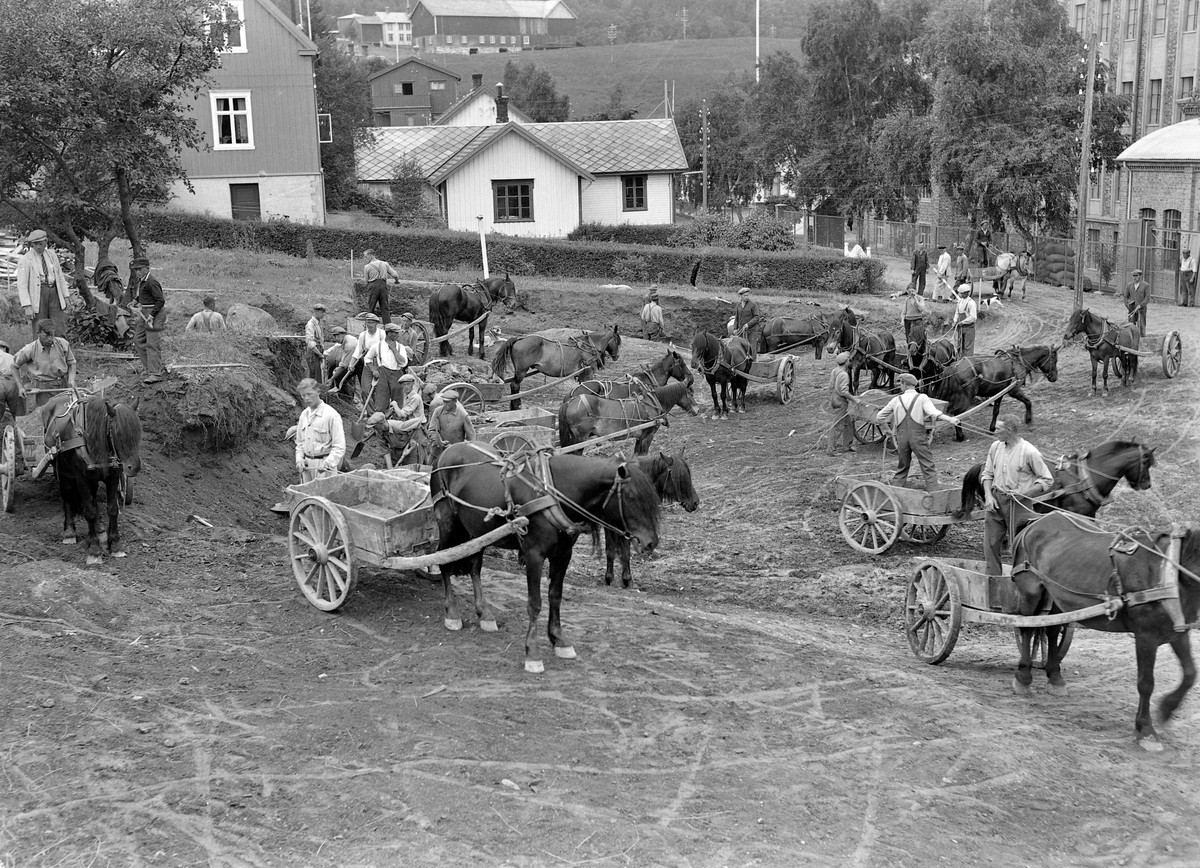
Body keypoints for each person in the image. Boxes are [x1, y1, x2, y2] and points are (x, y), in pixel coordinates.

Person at [980, 414, 1054, 581]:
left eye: (998, 429)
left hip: (1019, 505)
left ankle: (1021, 584)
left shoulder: (1029, 452)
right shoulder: (995, 447)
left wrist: (1025, 494)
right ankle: (993, 583)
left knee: (1020, 547)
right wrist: (988, 496)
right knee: (990, 545)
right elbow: (987, 474)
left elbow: (1047, 480)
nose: (994, 432)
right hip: (996, 500)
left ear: (1009, 430)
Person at [875, 373, 958, 491]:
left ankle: (894, 493)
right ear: (913, 385)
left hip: (902, 438)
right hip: (918, 437)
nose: (900, 386)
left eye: (901, 383)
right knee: (927, 465)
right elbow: (933, 412)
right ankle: (935, 494)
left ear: (904, 384)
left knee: (903, 466)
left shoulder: (896, 400)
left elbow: (879, 417)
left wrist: (887, 430)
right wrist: (950, 419)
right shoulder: (922, 398)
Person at [16, 229, 71, 337]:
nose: (38, 247)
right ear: (31, 244)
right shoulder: (26, 259)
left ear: (46, 242)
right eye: (35, 244)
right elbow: (22, 284)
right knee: (40, 328)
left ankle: (60, 352)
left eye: (40, 244)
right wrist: (27, 305)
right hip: (39, 294)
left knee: (59, 327)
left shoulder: (52, 255)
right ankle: (40, 352)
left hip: (54, 292)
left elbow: (59, 276)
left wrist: (66, 296)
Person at [14, 320, 77, 410]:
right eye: (46, 336)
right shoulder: (29, 349)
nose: (50, 339)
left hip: (63, 384)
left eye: (52, 335)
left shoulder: (63, 344)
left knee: (67, 411)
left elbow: (72, 363)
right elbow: (14, 366)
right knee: (47, 413)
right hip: (43, 388)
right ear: (38, 333)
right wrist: (20, 387)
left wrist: (71, 379)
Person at [294, 378, 346, 484]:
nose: (306, 398)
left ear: (318, 392)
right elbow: (299, 443)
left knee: (325, 498)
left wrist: (328, 463)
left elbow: (339, 446)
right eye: (303, 395)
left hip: (325, 467)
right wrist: (299, 460)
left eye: (309, 394)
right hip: (307, 468)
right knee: (308, 498)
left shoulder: (331, 415)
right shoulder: (304, 415)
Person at [367, 372, 426, 463]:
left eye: (408, 384)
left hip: (417, 429)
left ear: (413, 384)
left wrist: (395, 405)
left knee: (419, 458)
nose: (406, 387)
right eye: (404, 385)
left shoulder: (415, 398)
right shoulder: (407, 396)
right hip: (409, 428)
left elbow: (402, 414)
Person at [130, 255, 167, 384]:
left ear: (147, 268)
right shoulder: (143, 281)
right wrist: (135, 301)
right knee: (138, 339)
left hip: (155, 314)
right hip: (145, 313)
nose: (137, 272)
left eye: (139, 269)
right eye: (135, 270)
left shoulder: (152, 281)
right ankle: (149, 367)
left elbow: (160, 300)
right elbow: (144, 295)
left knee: (152, 343)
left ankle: (156, 373)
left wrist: (151, 316)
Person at [363, 323, 409, 413]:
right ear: (389, 333)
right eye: (395, 333)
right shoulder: (378, 346)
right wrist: (373, 370)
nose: (397, 335)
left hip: (397, 375)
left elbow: (403, 363)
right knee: (381, 400)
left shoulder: (400, 347)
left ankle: (396, 422)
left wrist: (394, 350)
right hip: (382, 375)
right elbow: (367, 358)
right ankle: (380, 422)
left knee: (398, 400)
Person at [827, 351, 860, 455]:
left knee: (848, 423)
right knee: (838, 425)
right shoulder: (844, 375)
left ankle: (847, 445)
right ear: (846, 362)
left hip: (834, 398)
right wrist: (854, 399)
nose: (850, 362)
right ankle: (831, 450)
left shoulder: (835, 371)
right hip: (840, 401)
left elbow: (830, 386)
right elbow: (844, 391)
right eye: (849, 360)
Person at [427, 388, 475, 456]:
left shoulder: (463, 415)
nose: (445, 404)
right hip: (438, 452)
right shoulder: (438, 411)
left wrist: (458, 447)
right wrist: (439, 441)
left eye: (448, 402)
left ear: (455, 401)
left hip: (456, 455)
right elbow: (431, 430)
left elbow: (471, 437)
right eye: (444, 401)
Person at [345, 313, 384, 393]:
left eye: (372, 322)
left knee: (379, 389)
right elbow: (358, 351)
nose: (370, 325)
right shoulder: (363, 335)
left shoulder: (382, 334)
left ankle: (378, 405)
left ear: (376, 323)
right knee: (365, 389)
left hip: (381, 363)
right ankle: (368, 405)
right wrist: (351, 364)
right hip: (368, 364)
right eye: (368, 322)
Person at [363, 249, 399, 325]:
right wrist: (396, 281)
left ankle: (368, 325)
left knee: (371, 307)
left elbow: (366, 281)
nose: (365, 258)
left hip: (373, 286)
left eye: (366, 256)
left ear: (371, 255)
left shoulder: (367, 267)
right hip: (383, 286)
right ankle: (388, 327)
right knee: (385, 307)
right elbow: (395, 275)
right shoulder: (384, 264)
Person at [323, 326, 357, 396]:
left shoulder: (349, 345)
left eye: (337, 336)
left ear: (343, 334)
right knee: (339, 376)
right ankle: (345, 396)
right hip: (352, 362)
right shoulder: (346, 340)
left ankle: (347, 398)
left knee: (340, 377)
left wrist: (332, 379)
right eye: (334, 336)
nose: (336, 339)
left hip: (360, 363)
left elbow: (343, 366)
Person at [950, 283, 977, 356]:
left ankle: (968, 361)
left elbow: (973, 317)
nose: (960, 295)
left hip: (969, 328)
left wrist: (963, 322)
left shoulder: (971, 303)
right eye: (960, 293)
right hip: (960, 327)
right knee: (959, 345)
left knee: (968, 346)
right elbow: (957, 312)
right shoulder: (960, 301)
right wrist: (955, 321)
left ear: (966, 293)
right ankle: (960, 360)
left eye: (962, 293)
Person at [733, 287, 763, 354]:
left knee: (751, 348)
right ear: (740, 296)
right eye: (744, 295)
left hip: (751, 331)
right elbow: (737, 318)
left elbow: (757, 317)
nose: (746, 297)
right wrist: (735, 328)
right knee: (741, 349)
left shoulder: (753, 305)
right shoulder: (739, 305)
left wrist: (748, 324)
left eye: (747, 295)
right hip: (741, 331)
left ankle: (753, 363)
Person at [1122, 267, 1150, 334]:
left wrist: (1141, 305)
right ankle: (1132, 339)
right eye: (1133, 276)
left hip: (1141, 309)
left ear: (1140, 276)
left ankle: (1142, 339)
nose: (1135, 277)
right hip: (1132, 309)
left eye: (1136, 276)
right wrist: (1127, 305)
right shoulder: (1129, 285)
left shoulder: (1145, 285)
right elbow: (1125, 296)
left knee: (1141, 325)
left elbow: (1147, 297)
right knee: (1131, 326)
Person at [304, 303, 327, 382]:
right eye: (322, 312)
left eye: (324, 312)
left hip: (318, 353)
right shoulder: (310, 324)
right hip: (313, 353)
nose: (323, 314)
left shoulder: (318, 324)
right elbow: (310, 342)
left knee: (319, 376)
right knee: (313, 376)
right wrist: (319, 354)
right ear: (316, 312)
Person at [901, 283, 928, 348]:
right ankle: (909, 352)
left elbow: (922, 308)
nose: (911, 293)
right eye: (909, 291)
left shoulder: (920, 298)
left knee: (918, 337)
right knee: (909, 338)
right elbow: (904, 312)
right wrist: (902, 320)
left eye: (912, 291)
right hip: (908, 320)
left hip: (917, 320)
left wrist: (915, 299)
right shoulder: (907, 300)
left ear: (915, 291)